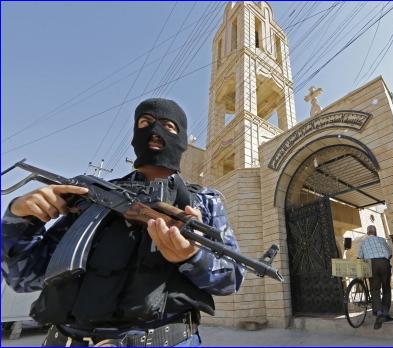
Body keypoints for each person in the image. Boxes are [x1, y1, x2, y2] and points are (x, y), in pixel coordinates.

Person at [2, 98, 246, 346]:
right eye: (145, 122)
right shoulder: (91, 196)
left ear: (182, 139)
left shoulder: (203, 202)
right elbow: (23, 278)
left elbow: (232, 278)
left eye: (167, 125)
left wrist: (193, 257)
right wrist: (19, 220)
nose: (154, 131)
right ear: (134, 135)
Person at [357, 225, 393, 330]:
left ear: (368, 233)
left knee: (375, 289)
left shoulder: (363, 242)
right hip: (383, 262)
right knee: (386, 288)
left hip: (370, 265)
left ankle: (379, 313)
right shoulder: (381, 240)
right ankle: (385, 312)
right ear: (375, 232)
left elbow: (359, 257)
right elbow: (390, 254)